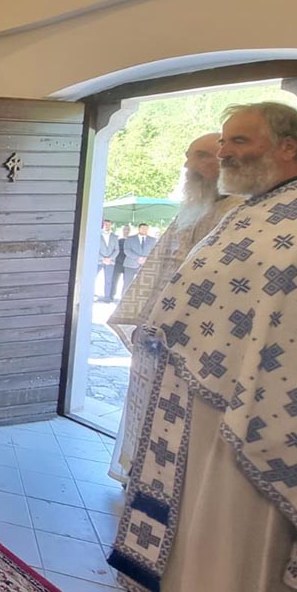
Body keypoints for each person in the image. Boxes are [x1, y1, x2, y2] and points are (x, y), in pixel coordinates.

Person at [108, 102, 297, 592]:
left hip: (264, 402)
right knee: (198, 505)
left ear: (287, 146)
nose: (225, 153)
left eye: (239, 141)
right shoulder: (251, 210)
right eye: (224, 143)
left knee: (235, 515)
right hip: (198, 388)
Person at [105, 132, 241, 482]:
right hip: (159, 335)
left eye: (199, 156)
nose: (187, 165)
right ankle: (140, 474)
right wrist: (142, 318)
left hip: (199, 343)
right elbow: (158, 267)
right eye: (188, 155)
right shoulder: (192, 209)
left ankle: (169, 485)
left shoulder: (239, 214)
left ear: (223, 161)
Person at [119, 222, 157, 291]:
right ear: (139, 229)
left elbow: (155, 251)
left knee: (144, 284)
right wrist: (138, 257)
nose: (144, 230)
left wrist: (146, 258)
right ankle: (125, 297)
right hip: (130, 264)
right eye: (143, 228)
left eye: (146, 229)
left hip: (146, 265)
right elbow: (126, 250)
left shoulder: (153, 240)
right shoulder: (130, 238)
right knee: (127, 283)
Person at [97, 219, 119, 302]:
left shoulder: (114, 237)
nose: (107, 226)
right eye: (106, 224)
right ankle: (90, 296)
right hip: (98, 261)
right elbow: (93, 248)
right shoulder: (97, 235)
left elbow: (117, 250)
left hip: (110, 261)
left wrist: (110, 258)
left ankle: (107, 298)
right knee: (93, 278)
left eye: (109, 225)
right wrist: (102, 258)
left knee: (108, 280)